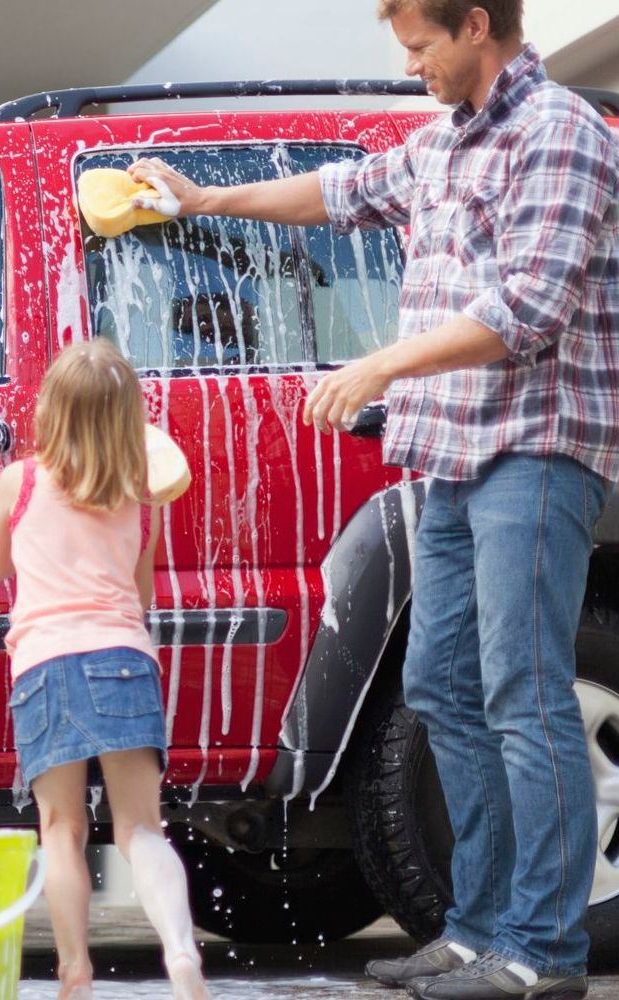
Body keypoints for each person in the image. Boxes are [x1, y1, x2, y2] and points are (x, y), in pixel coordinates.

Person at [131, 1, 616, 995]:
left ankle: (541, 951)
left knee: (524, 697)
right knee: (441, 689)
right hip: (442, 454)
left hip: (530, 449)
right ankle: (475, 929)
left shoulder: (557, 133)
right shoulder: (440, 141)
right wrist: (200, 198)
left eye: (419, 46)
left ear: (476, 25)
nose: (409, 68)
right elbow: (338, 192)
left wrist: (379, 366)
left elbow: (525, 308)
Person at [0, 338, 208, 1000]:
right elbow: (142, 597)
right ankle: (181, 951)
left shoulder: (20, 480)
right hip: (124, 660)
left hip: (46, 664)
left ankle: (76, 968)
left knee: (63, 830)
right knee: (142, 830)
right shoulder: (141, 493)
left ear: (51, 411)